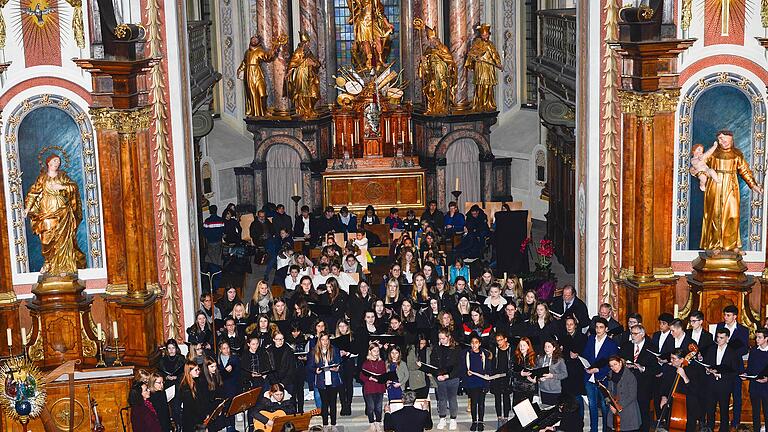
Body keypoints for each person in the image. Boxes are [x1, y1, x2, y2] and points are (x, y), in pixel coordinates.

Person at [699, 129, 763, 251]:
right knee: (715, 215)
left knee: (733, 215)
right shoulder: (712, 153)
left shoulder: (737, 154)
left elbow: (744, 171)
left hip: (731, 185)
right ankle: (714, 245)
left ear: (731, 139)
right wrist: (702, 176)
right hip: (715, 185)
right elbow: (701, 165)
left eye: (724, 138)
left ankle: (731, 245)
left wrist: (753, 185)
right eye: (720, 139)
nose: (722, 141)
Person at [23, 154, 86, 274]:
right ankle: (48, 263)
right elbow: (33, 193)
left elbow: (73, 187)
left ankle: (64, 267)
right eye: (55, 160)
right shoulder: (42, 178)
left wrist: (61, 187)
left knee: (62, 239)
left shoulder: (62, 176)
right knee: (46, 239)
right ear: (48, 163)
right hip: (47, 211)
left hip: (63, 211)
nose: (57, 163)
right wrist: (27, 208)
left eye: (58, 161)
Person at [703, 327, 743, 432]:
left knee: (724, 409)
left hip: (724, 385)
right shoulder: (711, 350)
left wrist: (720, 375)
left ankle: (724, 429)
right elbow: (706, 364)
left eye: (721, 338)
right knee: (710, 409)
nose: (719, 340)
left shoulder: (732, 352)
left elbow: (734, 371)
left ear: (727, 339)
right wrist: (708, 371)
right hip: (711, 383)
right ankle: (710, 428)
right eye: (717, 337)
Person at [619, 324, 657, 432]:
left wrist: (643, 368)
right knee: (629, 412)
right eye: (631, 333)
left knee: (643, 411)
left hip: (644, 384)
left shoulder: (651, 347)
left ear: (642, 334)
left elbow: (655, 368)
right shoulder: (626, 345)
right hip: (628, 384)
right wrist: (624, 363)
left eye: (635, 334)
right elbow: (619, 359)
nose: (632, 336)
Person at [583, 317, 618, 432]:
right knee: (592, 405)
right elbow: (586, 355)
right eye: (597, 327)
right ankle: (593, 430)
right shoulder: (591, 339)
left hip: (603, 379)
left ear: (606, 329)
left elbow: (612, 363)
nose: (598, 330)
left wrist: (598, 370)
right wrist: (586, 366)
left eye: (601, 327)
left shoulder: (611, 344)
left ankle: (604, 429)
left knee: (604, 406)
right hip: (589, 377)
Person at [716, 304, 749, 427]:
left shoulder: (743, 330)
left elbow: (745, 349)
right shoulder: (720, 326)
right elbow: (717, 343)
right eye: (724, 315)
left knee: (737, 396)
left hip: (736, 367)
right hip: (722, 366)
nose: (725, 317)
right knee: (721, 394)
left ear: (735, 316)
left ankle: (736, 421)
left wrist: (731, 351)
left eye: (728, 315)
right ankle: (721, 421)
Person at [659, 349, 706, 432]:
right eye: (671, 358)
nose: (671, 360)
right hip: (673, 403)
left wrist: (684, 377)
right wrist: (664, 396)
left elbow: (695, 390)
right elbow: (664, 385)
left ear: (681, 360)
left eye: (674, 358)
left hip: (689, 405)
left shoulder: (693, 370)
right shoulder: (670, 369)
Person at [238, 35, 285, 117]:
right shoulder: (247, 52)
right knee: (251, 93)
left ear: (258, 42)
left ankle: (263, 110)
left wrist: (275, 47)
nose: (254, 41)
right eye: (252, 39)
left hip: (257, 72)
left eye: (256, 40)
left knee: (262, 92)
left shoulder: (260, 51)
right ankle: (255, 113)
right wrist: (239, 70)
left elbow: (268, 56)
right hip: (248, 74)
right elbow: (244, 62)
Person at [307, 332, 342, 430]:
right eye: (323, 340)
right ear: (319, 340)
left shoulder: (334, 349)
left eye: (327, 340)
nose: (325, 342)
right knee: (324, 404)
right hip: (321, 381)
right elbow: (310, 366)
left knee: (333, 404)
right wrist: (315, 370)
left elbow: (339, 362)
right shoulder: (314, 351)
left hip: (333, 380)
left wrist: (337, 368)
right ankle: (325, 424)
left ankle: (334, 424)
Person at [465, 23, 502, 111]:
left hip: (489, 67)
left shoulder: (490, 44)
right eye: (483, 35)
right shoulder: (477, 43)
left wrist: (498, 63)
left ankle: (488, 104)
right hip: (480, 67)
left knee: (488, 86)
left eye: (486, 34)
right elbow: (471, 53)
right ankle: (479, 104)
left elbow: (495, 55)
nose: (485, 36)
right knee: (481, 86)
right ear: (481, 35)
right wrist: (475, 57)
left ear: (489, 34)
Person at [432, 329, 462, 430]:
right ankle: (442, 418)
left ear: (449, 337)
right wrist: (437, 375)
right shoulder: (437, 348)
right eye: (439, 338)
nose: (441, 340)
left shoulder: (457, 348)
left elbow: (459, 366)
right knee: (441, 399)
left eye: (443, 338)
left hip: (452, 378)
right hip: (440, 378)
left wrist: (448, 376)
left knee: (452, 398)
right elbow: (433, 363)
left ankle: (453, 419)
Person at [605, 356, 641, 432]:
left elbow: (632, 396)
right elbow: (608, 392)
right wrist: (610, 404)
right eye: (611, 366)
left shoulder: (630, 376)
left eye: (615, 364)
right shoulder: (610, 374)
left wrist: (618, 406)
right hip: (614, 408)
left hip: (627, 409)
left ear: (620, 363)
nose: (614, 367)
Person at [463, 334, 491, 431]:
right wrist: (467, 373)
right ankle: (474, 422)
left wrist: (487, 375)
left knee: (481, 403)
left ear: (479, 344)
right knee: (474, 403)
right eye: (472, 343)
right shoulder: (467, 354)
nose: (474, 345)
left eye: (476, 343)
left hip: (482, 382)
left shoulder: (484, 354)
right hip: (472, 382)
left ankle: (481, 422)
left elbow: (487, 368)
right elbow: (463, 368)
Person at [744, 328, 768, 432]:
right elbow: (750, 368)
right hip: (755, 386)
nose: (756, 339)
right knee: (755, 412)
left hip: (766, 387)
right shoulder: (753, 351)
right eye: (756, 337)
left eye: (759, 337)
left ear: (766, 338)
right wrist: (745, 374)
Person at [533, 339, 568, 408]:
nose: (546, 349)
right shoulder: (540, 358)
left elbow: (565, 374)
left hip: (555, 390)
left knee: (555, 411)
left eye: (549, 347)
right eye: (545, 347)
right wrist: (539, 378)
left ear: (554, 348)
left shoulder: (560, 360)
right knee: (545, 411)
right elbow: (536, 371)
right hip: (543, 389)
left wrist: (552, 375)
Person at [360, 343, 387, 432]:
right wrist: (369, 378)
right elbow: (361, 376)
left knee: (378, 407)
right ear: (370, 352)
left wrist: (380, 378)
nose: (376, 353)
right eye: (374, 351)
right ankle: (371, 423)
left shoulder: (382, 362)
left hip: (379, 387)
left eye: (377, 351)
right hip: (369, 388)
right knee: (370, 407)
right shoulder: (366, 363)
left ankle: (378, 422)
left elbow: (384, 374)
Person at [489, 331, 512, 427]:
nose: (499, 342)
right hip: (496, 377)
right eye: (497, 340)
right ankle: (499, 417)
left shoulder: (511, 349)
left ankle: (506, 417)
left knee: (506, 397)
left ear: (505, 339)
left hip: (507, 377)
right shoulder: (494, 349)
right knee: (497, 397)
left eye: (501, 340)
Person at [178, 361, 207, 432]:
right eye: (195, 370)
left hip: (197, 417)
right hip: (192, 420)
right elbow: (192, 407)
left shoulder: (197, 381)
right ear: (189, 372)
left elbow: (201, 400)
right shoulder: (186, 388)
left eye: (198, 369)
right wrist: (203, 416)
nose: (198, 371)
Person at [511, 337, 537, 405]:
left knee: (528, 412)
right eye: (520, 345)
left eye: (524, 345)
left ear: (528, 346)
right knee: (517, 410)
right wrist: (520, 374)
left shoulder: (534, 357)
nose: (522, 347)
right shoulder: (515, 357)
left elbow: (538, 372)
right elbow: (510, 372)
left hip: (529, 388)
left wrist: (535, 380)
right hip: (518, 388)